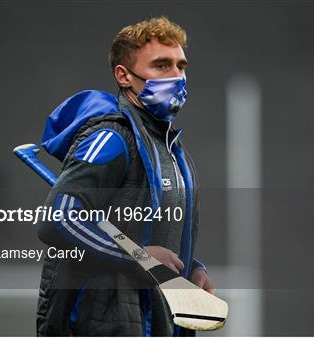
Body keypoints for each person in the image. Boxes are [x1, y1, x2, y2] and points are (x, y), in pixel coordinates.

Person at [35, 16, 213, 336]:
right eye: (162, 65)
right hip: (102, 324)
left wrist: (191, 267)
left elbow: (152, 234)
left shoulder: (173, 151)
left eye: (181, 65)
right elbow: (57, 219)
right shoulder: (111, 138)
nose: (177, 76)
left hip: (159, 322)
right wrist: (138, 257)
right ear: (124, 75)